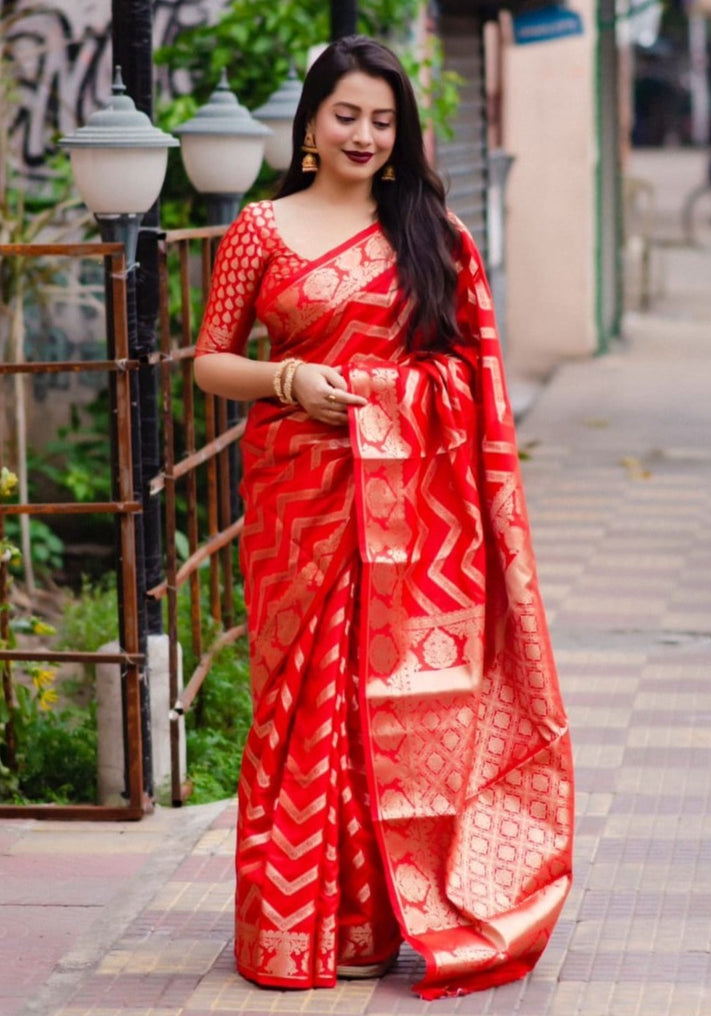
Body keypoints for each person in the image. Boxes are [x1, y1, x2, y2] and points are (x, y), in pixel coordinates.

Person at [193, 34, 573, 1001]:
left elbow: (469, 377)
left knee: (386, 708)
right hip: (297, 501)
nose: (364, 134)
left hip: (414, 516)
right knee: (295, 704)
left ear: (400, 134)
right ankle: (292, 925)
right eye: (346, 115)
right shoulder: (261, 230)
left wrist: (373, 394)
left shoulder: (431, 235)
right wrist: (287, 378)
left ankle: (369, 921)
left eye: (383, 119)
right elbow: (208, 361)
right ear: (312, 125)